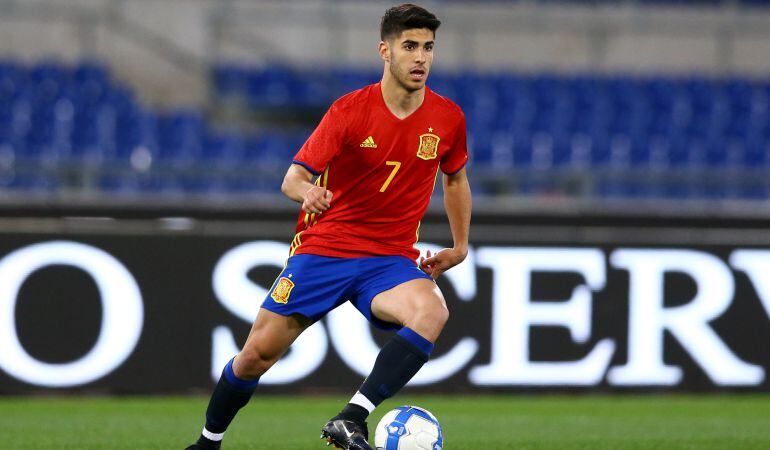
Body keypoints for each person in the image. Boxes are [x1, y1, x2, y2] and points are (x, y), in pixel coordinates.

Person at [186, 3, 471, 449]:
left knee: (432, 311)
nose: (420, 58)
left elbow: (454, 178)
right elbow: (292, 178)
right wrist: (308, 193)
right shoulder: (349, 111)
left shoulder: (448, 118)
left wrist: (460, 245)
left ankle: (352, 417)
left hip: (389, 260)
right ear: (385, 50)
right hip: (326, 250)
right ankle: (207, 443)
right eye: (410, 46)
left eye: (428, 48)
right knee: (254, 358)